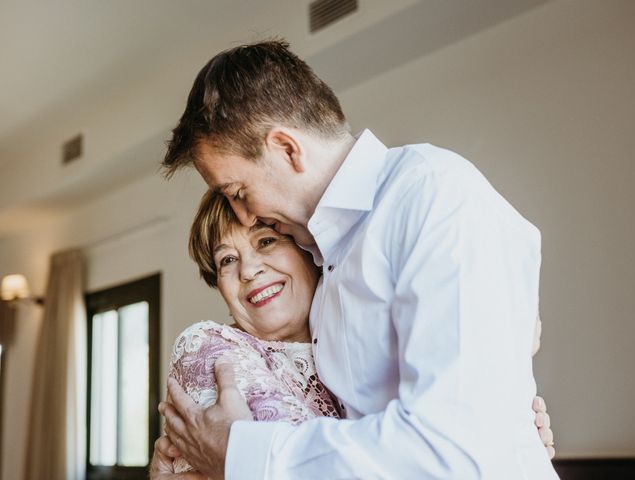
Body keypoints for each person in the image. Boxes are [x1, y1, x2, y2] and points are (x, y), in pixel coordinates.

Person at [156, 39, 558, 479]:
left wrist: (242, 455)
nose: (245, 215)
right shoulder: (325, 264)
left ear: (287, 149)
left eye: (238, 193)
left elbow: (455, 447)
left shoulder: (433, 195)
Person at [166, 190, 340, 474]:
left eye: (266, 241)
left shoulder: (356, 340)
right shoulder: (209, 347)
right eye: (227, 260)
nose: (247, 270)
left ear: (310, 252)